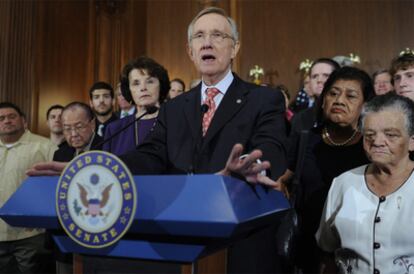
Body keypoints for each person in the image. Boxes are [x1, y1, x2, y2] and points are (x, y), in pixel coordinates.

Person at [28, 7, 287, 274]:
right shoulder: (174, 108)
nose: (207, 42)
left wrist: (246, 167)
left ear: (235, 48)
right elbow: (150, 155)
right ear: (190, 51)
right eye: (199, 36)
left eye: (218, 35)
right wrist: (97, 168)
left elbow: (273, 148)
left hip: (240, 242)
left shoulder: (263, 99)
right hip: (179, 238)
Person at [258, 66, 376, 272]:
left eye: (351, 96)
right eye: (333, 93)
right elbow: (283, 178)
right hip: (307, 243)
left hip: (357, 247)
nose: (339, 101)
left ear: (365, 105)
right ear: (323, 101)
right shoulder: (307, 138)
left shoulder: (371, 145)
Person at [316, 93, 414, 274]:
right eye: (369, 135)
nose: (377, 142)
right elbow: (327, 248)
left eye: (390, 135)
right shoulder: (344, 183)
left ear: (412, 141)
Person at [0, 102, 57, 273]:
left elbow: (56, 187)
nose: (7, 121)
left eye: (12, 116)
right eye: (1, 118)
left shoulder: (46, 146)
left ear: (24, 121)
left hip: (31, 235)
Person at [103, 56, 169, 155]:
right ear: (128, 90)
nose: (143, 88)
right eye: (136, 83)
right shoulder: (114, 129)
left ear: (161, 85)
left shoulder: (176, 124)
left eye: (150, 81)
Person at [290, 58, 340, 134]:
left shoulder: (349, 113)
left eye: (326, 75)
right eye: (314, 76)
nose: (319, 80)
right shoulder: (299, 119)